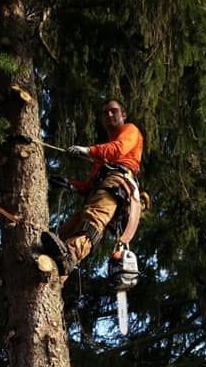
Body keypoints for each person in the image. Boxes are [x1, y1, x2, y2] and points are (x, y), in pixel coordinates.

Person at [41, 98, 144, 276]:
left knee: (92, 222)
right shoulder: (102, 159)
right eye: (105, 113)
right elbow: (89, 185)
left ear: (123, 115)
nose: (109, 115)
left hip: (116, 184)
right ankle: (55, 273)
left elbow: (118, 149)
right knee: (66, 230)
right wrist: (70, 183)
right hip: (100, 189)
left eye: (114, 111)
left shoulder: (130, 130)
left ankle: (70, 254)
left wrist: (87, 150)